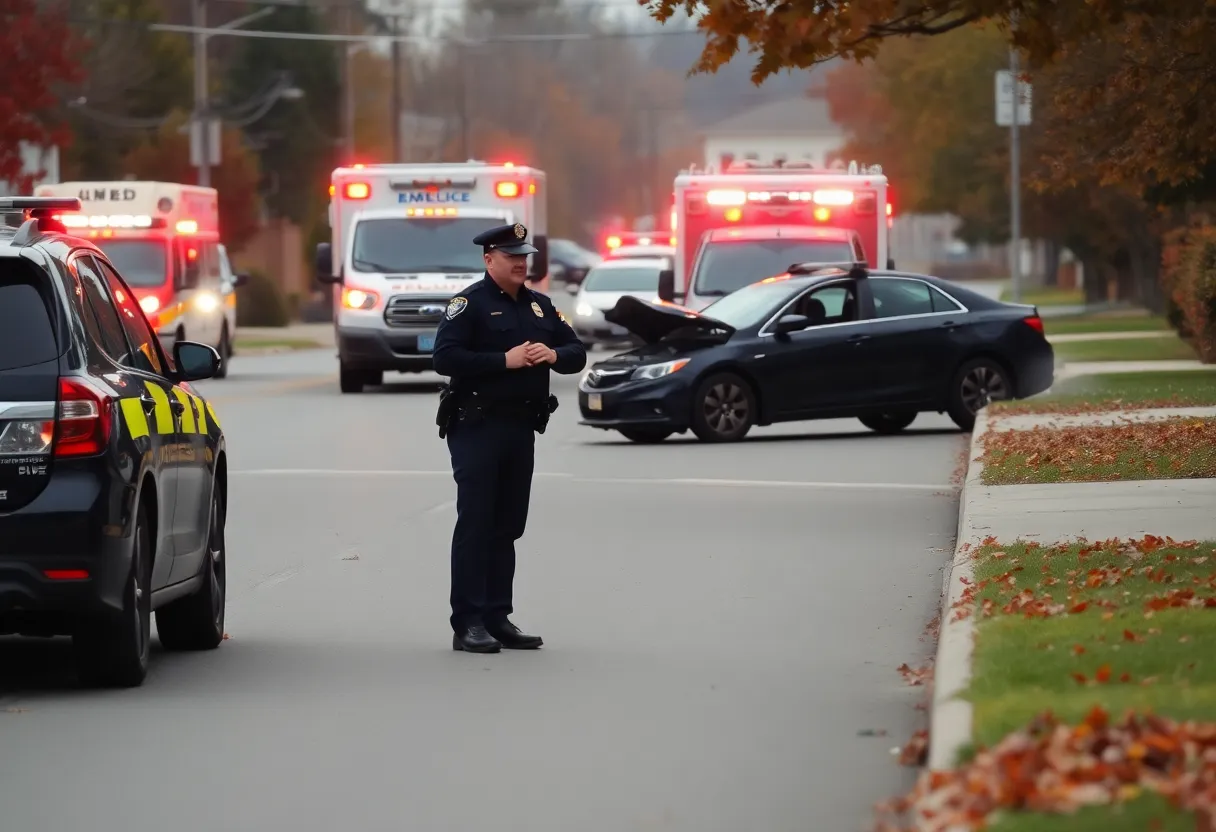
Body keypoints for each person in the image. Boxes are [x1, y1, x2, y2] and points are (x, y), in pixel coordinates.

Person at [432, 223, 587, 654]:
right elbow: (445, 357)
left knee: (508, 525)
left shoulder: (540, 307)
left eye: (525, 256)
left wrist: (553, 354)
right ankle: (467, 622)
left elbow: (577, 352)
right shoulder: (470, 304)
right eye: (511, 256)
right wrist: (505, 359)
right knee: (477, 522)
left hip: (521, 428)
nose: (521, 263)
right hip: (477, 425)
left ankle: (498, 616)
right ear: (489, 259)